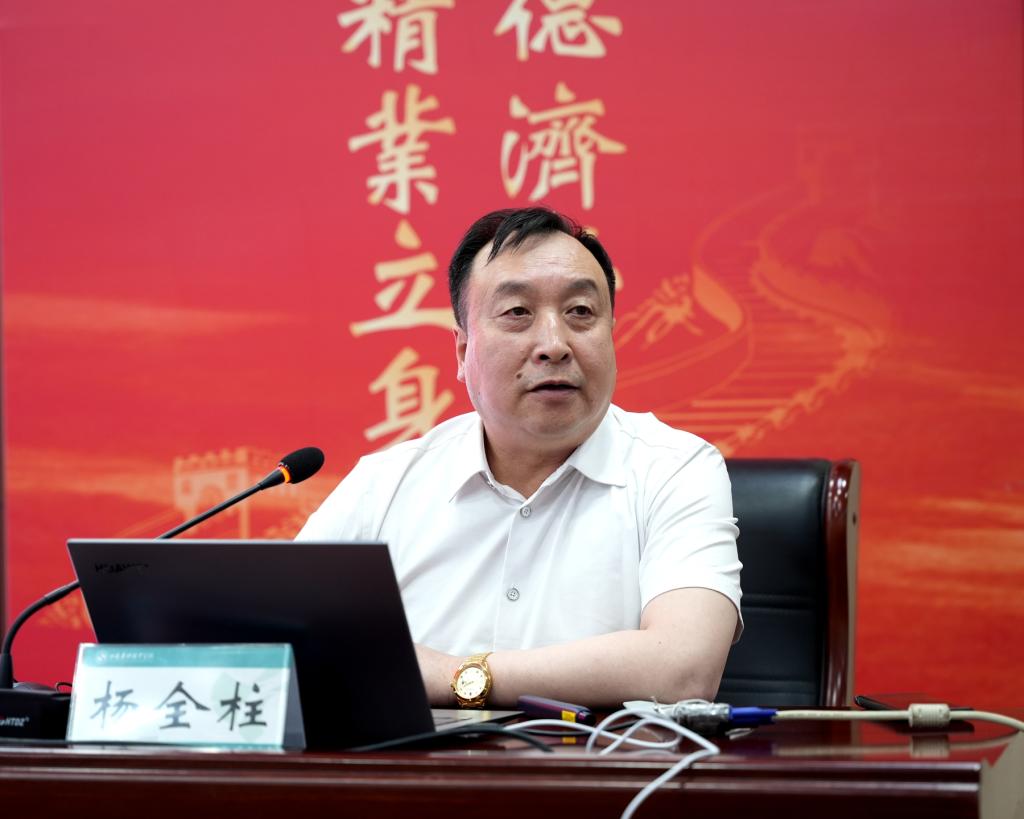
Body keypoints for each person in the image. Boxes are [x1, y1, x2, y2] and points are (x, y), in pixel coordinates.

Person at [297, 207, 742, 708]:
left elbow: (684, 667)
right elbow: (280, 643)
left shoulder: (675, 469)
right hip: (415, 761)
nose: (554, 345)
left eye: (580, 312)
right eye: (517, 313)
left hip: (605, 761)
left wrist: (455, 675)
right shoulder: (386, 483)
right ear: (462, 352)